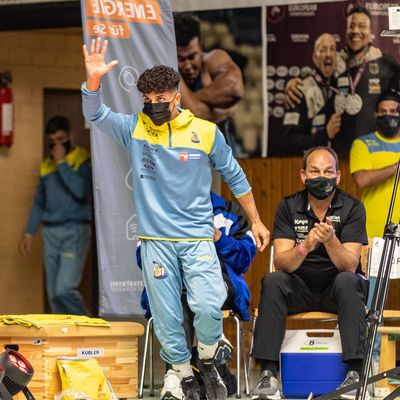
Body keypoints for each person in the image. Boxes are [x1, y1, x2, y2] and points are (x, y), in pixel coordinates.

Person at [81, 37, 269, 400]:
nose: (153, 105)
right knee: (167, 316)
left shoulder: (206, 132)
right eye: (147, 99)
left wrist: (257, 222)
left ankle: (210, 355)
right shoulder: (134, 127)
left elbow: (235, 177)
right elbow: (96, 114)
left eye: (161, 98)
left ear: (177, 97)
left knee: (208, 305)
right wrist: (93, 80)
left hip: (198, 238)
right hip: (156, 241)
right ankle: (181, 374)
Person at [251, 147, 369, 400]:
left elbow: (350, 265)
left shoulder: (353, 207)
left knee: (349, 281)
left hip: (337, 290)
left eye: (328, 171)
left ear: (338, 176)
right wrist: (305, 246)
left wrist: (330, 240)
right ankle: (268, 374)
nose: (322, 177)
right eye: (314, 171)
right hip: (299, 287)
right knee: (273, 281)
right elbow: (281, 262)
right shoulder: (288, 206)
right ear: (303, 175)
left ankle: (355, 374)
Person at [137, 191, 257, 400]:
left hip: (220, 282)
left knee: (202, 289)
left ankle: (181, 370)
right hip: (172, 285)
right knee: (178, 294)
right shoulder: (159, 209)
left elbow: (245, 258)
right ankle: (182, 371)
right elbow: (143, 257)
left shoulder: (228, 212)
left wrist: (217, 237)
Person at [285, 6, 400, 154]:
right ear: (346, 31)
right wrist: (293, 82)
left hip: (375, 151)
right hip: (340, 153)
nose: (356, 30)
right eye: (351, 26)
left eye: (362, 26)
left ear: (370, 32)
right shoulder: (336, 62)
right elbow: (315, 76)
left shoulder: (386, 63)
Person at [19, 116, 91, 315]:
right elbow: (39, 202)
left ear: (70, 136)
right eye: (52, 141)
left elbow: (80, 192)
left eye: (61, 139)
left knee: (64, 290)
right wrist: (28, 232)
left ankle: (90, 327)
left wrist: (62, 163)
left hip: (74, 231)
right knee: (53, 296)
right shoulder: (46, 165)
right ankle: (63, 333)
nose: (57, 145)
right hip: (50, 233)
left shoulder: (82, 158)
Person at [174, 13, 244, 155]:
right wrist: (222, 112)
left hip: (222, 158)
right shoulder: (171, 72)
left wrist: (190, 101)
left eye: (192, 57)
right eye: (180, 59)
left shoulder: (213, 59)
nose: (188, 66)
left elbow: (236, 88)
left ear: (201, 47)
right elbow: (196, 115)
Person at [350, 90, 400, 239]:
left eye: (393, 111)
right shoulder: (362, 144)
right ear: (375, 114)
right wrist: (396, 167)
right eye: (383, 112)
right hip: (373, 230)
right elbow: (362, 180)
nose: (388, 115)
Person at [282, 33, 341, 155]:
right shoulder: (299, 89)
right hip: (310, 161)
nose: (328, 54)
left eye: (332, 49)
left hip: (339, 162)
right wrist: (325, 134)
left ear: (337, 56)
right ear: (315, 58)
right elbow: (289, 141)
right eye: (323, 50)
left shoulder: (343, 88)